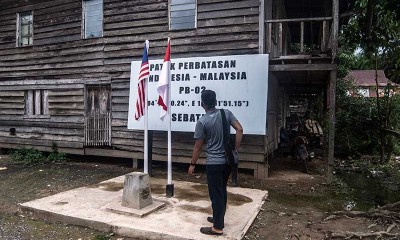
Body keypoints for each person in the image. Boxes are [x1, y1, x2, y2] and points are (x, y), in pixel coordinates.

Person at [188, 90, 243, 236]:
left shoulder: (202, 121)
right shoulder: (226, 113)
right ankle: (218, 217)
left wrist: (192, 164)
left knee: (216, 194)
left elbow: (198, 146)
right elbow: (240, 129)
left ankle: (217, 228)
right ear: (216, 102)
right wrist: (235, 149)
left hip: (213, 163)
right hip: (227, 162)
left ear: (202, 104)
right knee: (221, 190)